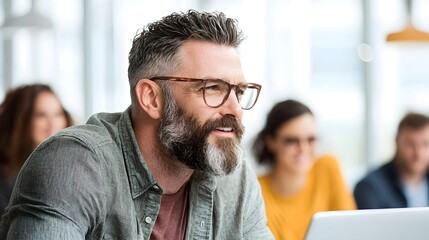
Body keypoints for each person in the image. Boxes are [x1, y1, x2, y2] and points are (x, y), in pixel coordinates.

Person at [0, 10, 273, 239]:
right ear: (151, 98)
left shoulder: (235, 179)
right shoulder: (73, 163)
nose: (235, 109)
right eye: (213, 88)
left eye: (239, 91)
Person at [253, 99, 355, 240]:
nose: (303, 149)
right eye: (292, 140)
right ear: (271, 141)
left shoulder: (328, 166)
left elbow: (350, 230)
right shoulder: (255, 190)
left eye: (311, 139)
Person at [0, 83, 73, 214]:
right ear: (20, 119)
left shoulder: (72, 165)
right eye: (41, 115)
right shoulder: (5, 176)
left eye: (58, 114)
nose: (52, 124)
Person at [354, 112, 429, 209]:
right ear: (397, 143)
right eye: (410, 144)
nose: (418, 154)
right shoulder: (369, 188)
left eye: (425, 144)